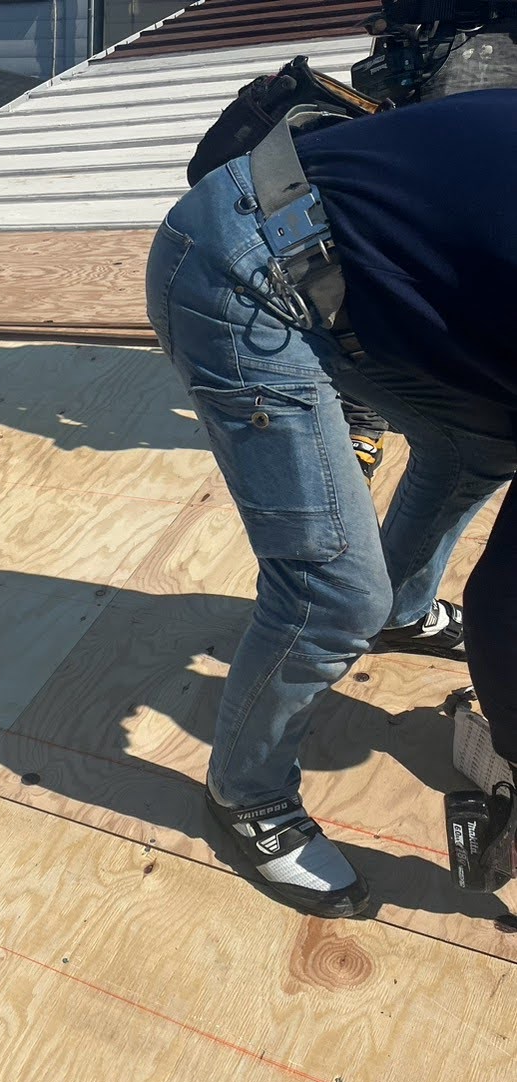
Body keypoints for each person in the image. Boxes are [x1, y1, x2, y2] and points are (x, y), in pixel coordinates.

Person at [145, 89, 517, 917]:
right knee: (330, 597)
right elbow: (509, 605)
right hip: (240, 266)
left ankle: (402, 612)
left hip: (338, 265)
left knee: (482, 443)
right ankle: (244, 794)